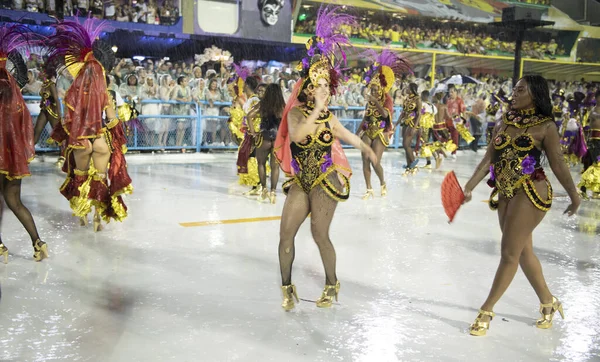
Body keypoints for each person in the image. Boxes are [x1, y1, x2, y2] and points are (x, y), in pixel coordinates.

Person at [274, 6, 377, 311]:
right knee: (285, 236)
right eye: (316, 85)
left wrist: (367, 149)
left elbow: (347, 135)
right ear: (306, 89)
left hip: (324, 180)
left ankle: (332, 284)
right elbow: (297, 136)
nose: (323, 91)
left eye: (325, 86)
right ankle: (287, 287)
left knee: (320, 234)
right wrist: (317, 109)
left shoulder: (329, 117)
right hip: (300, 181)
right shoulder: (296, 113)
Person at [462, 75, 580, 336]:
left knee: (509, 254)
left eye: (520, 90)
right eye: (514, 89)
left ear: (535, 94)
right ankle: (548, 302)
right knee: (523, 253)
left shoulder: (546, 126)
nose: (514, 93)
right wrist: (469, 185)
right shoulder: (504, 121)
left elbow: (558, 163)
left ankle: (486, 310)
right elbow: (488, 158)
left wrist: (574, 195)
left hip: (531, 191)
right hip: (504, 193)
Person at [49, 18, 133, 233]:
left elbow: (67, 120)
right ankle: (97, 216)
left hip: (81, 140)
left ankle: (83, 216)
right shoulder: (105, 92)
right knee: (100, 179)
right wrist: (119, 136)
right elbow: (113, 120)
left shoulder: (74, 94)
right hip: (101, 139)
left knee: (80, 178)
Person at [0, 25, 48, 263]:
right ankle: (38, 243)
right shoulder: (13, 95)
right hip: (12, 158)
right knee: (14, 202)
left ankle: (0, 246)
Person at [358, 49, 409, 199]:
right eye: (371, 90)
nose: (372, 92)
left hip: (382, 132)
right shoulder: (370, 101)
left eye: (375, 90)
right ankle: (369, 189)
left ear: (380, 88)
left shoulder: (387, 99)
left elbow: (386, 115)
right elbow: (366, 118)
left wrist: (375, 102)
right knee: (365, 160)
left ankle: (382, 183)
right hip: (368, 130)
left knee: (375, 161)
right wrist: (355, 134)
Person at [247, 83, 284, 203]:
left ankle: (264, 189)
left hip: (264, 138)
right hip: (277, 139)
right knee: (275, 166)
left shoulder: (263, 104)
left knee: (261, 164)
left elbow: (249, 116)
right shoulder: (282, 106)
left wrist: (253, 133)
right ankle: (273, 191)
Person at [579, 90, 600, 199]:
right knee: (593, 163)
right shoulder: (593, 111)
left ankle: (597, 190)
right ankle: (584, 189)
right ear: (596, 98)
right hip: (593, 140)